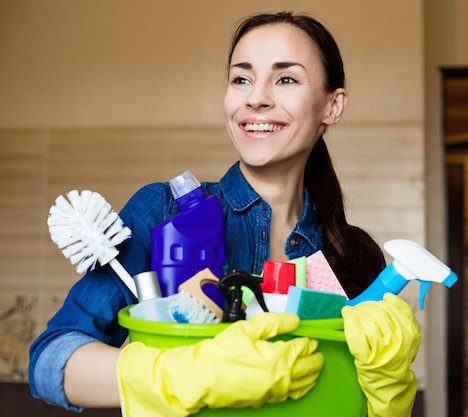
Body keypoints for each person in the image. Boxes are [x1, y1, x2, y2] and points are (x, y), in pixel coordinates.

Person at [29, 11, 419, 417]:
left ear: (332, 106)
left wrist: (387, 396)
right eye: (241, 78)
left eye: (286, 79)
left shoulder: (353, 255)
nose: (256, 98)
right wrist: (182, 375)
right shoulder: (164, 214)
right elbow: (49, 360)